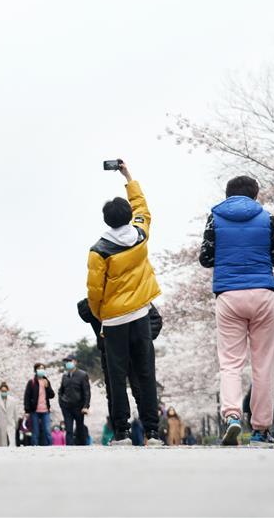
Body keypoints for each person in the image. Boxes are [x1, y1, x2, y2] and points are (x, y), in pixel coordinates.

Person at [199, 175, 274, 448]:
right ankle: (261, 430)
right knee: (263, 364)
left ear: (228, 195)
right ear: (255, 194)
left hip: (228, 295)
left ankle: (232, 416)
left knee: (230, 363)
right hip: (263, 294)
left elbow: (205, 258)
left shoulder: (215, 218)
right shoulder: (267, 218)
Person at [86, 161, 163, 447]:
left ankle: (122, 433)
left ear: (106, 220)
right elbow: (143, 207)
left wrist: (101, 315)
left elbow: (94, 291)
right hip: (140, 315)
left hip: (114, 320)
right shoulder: (141, 235)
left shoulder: (99, 251)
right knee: (146, 373)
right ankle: (153, 432)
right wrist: (128, 176)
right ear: (129, 216)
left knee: (117, 377)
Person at [58, 356, 91, 445]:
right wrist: (61, 403)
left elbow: (87, 392)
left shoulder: (82, 375)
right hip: (66, 407)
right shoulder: (65, 376)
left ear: (75, 362)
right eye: (66, 361)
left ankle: (82, 446)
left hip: (78, 406)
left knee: (80, 427)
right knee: (68, 429)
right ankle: (69, 447)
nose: (68, 363)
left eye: (70, 361)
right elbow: (61, 391)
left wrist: (86, 406)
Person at [23, 364, 54, 446]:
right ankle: (35, 447)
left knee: (47, 430)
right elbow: (27, 397)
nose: (41, 370)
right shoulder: (32, 382)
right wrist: (27, 410)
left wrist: (47, 387)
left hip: (45, 410)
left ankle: (50, 446)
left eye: (43, 368)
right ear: (35, 370)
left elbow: (52, 395)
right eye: (39, 368)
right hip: (35, 411)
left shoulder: (46, 381)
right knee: (35, 431)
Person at [0, 382, 14, 447]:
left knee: (11, 444)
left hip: (10, 425)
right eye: (2, 391)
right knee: (2, 445)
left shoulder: (12, 400)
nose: (4, 392)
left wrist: (14, 424)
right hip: (0, 425)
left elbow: (15, 414)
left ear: (7, 390)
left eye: (5, 391)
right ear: (0, 391)